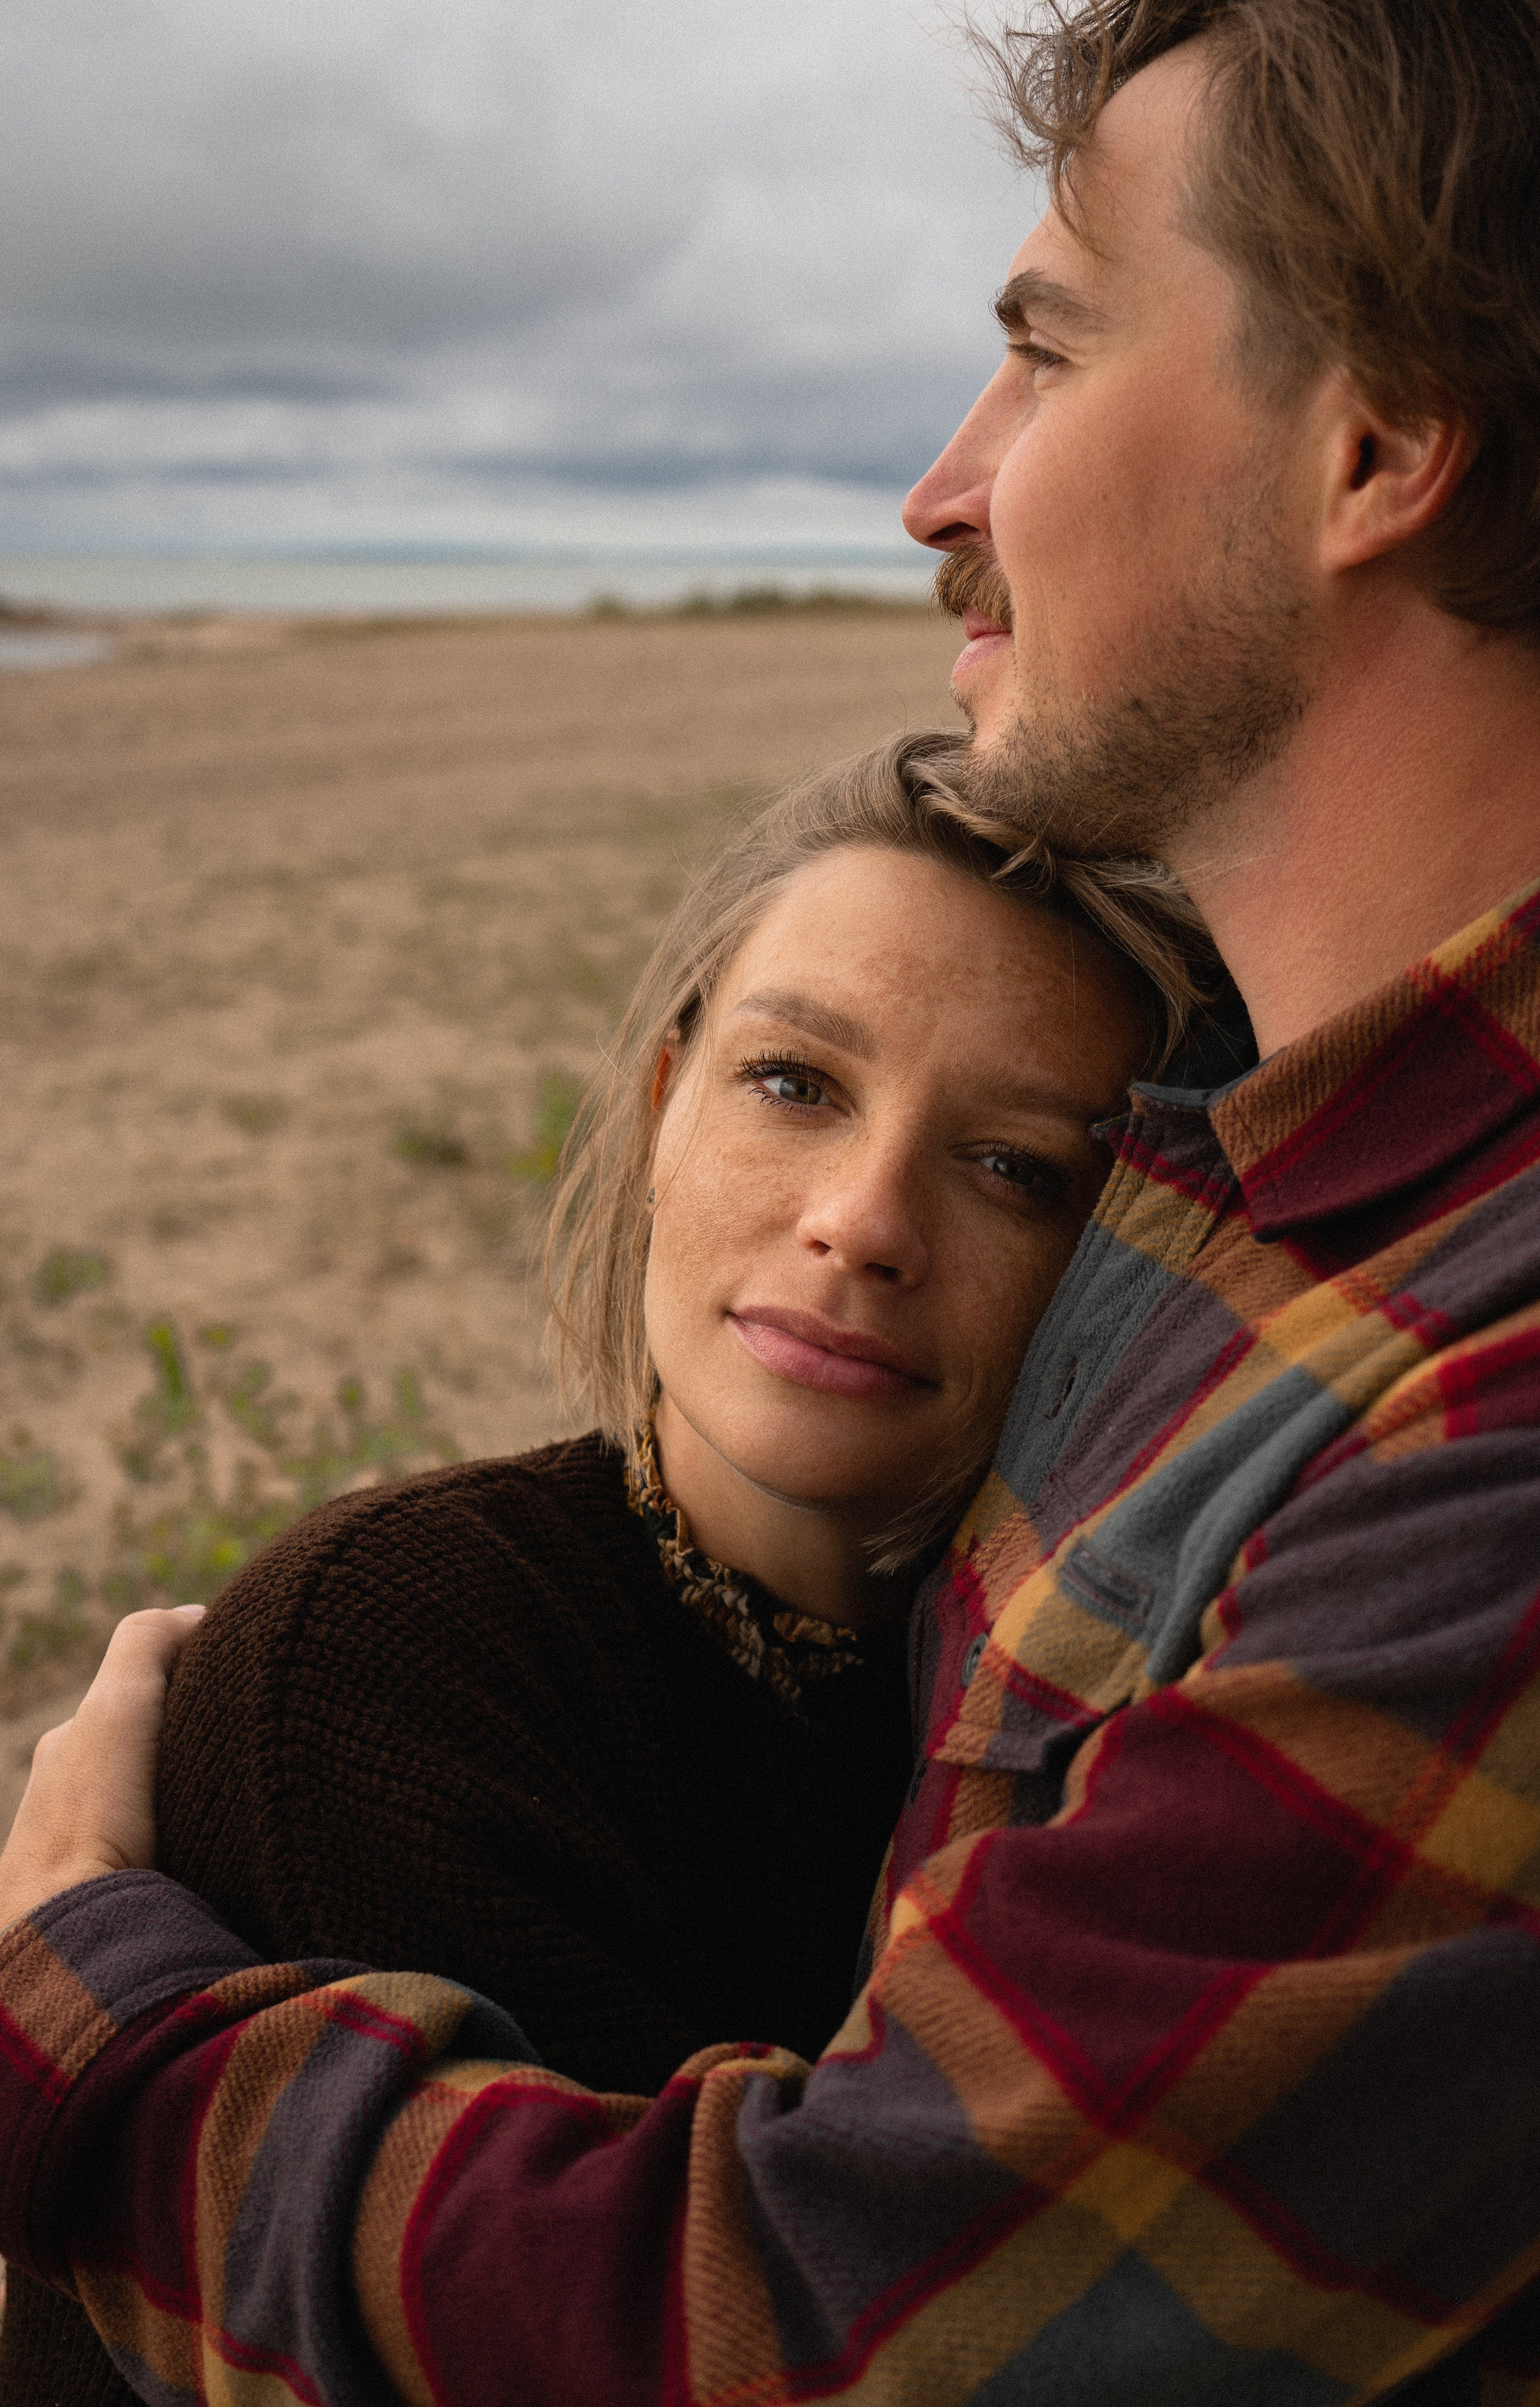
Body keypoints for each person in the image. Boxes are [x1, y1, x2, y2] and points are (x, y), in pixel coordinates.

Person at [4, 0, 1540, 2398]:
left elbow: (826, 2333)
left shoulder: (1524, 1403)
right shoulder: (1276, 1188)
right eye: (782, 1086)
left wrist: (68, 1995)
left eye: (1048, 352)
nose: (944, 489)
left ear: (1374, 447)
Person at [0, 726, 1213, 2407]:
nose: (862, 1219)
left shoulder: (1073, 1711)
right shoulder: (387, 1662)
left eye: (1014, 1167)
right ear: (664, 1106)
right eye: (795, 1082)